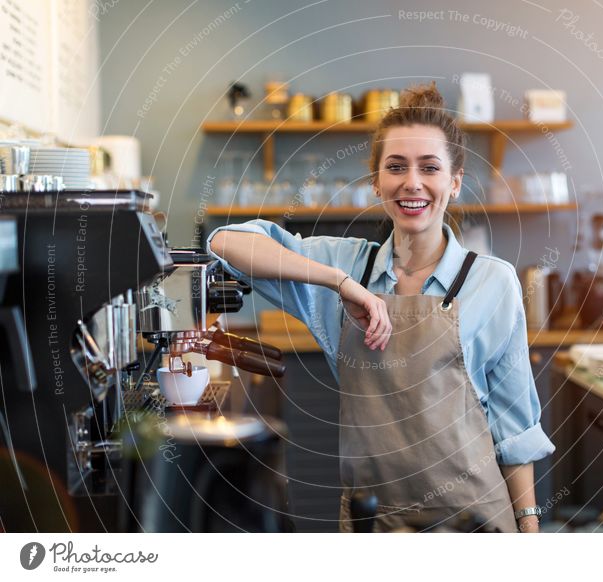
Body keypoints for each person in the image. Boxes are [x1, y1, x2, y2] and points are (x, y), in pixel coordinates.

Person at [207, 82, 555, 533]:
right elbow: (224, 243)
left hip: (477, 526)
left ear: (455, 181)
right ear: (376, 182)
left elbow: (514, 430)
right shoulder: (345, 265)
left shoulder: (494, 281)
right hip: (375, 527)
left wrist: (529, 533)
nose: (412, 182)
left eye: (430, 167)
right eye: (396, 167)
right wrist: (340, 282)